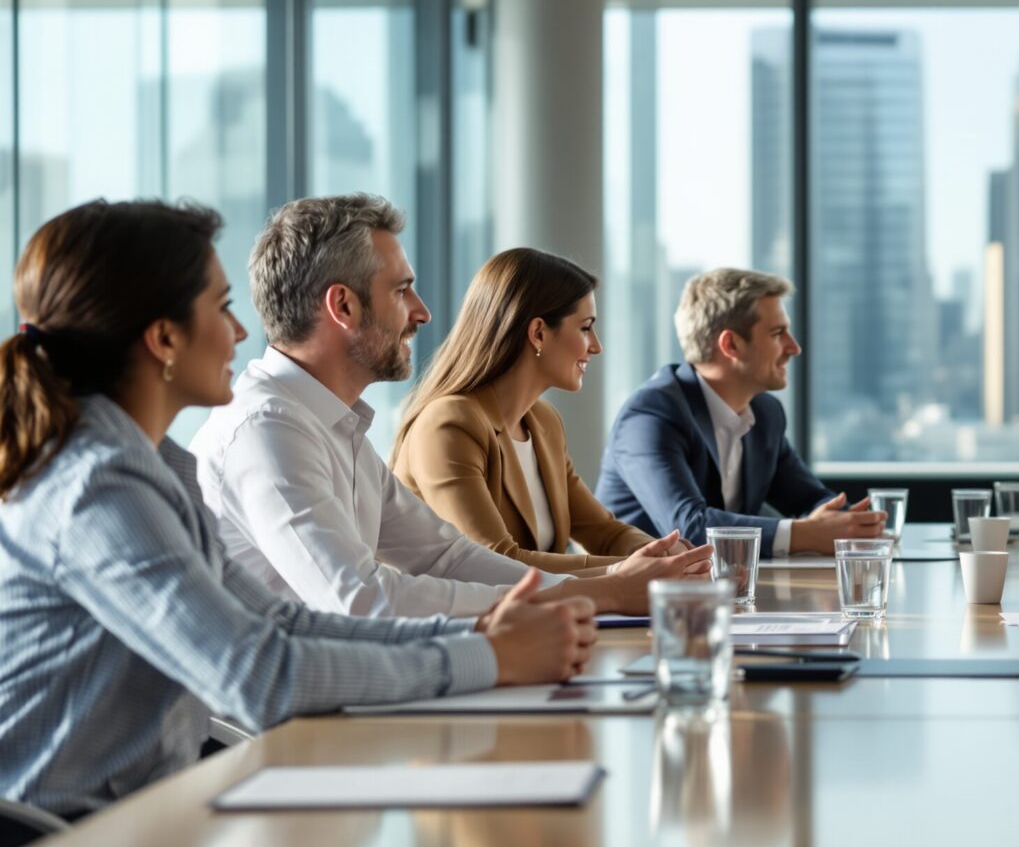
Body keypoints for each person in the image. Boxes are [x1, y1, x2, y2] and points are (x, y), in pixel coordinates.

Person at [0, 200, 594, 821]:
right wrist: (489, 656)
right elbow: (260, 675)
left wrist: (484, 640)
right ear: (164, 338)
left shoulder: (155, 467)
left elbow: (284, 624)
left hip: (138, 823)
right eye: (221, 306)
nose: (238, 331)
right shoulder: (98, 485)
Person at [190, 194, 670, 618]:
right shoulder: (268, 429)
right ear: (343, 307)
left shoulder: (332, 421)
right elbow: (362, 600)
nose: (422, 312)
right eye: (401, 291)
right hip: (296, 716)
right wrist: (597, 594)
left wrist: (600, 587)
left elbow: (448, 558)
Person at [389, 248, 713, 579]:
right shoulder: (448, 424)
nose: (596, 345)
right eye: (586, 327)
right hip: (455, 625)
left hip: (534, 618)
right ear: (539, 333)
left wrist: (664, 555)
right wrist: (627, 570)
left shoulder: (543, 422)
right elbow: (491, 561)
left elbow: (604, 532)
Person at [596, 268, 885, 557]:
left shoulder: (765, 412)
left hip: (720, 588)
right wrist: (806, 534)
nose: (794, 348)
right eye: (777, 333)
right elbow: (688, 527)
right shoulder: (651, 414)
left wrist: (848, 522)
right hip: (635, 593)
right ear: (731, 344)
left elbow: (808, 498)